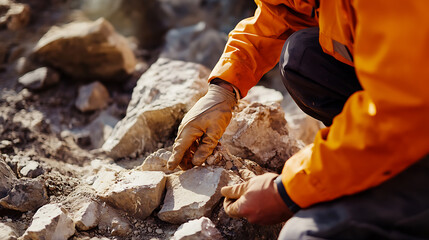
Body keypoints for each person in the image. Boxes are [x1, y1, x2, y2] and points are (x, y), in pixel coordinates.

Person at [167, 0, 429, 239]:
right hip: (408, 100)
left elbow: (400, 111)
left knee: (302, 235)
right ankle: (367, 166)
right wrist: (224, 88)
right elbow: (283, 13)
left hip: (414, 117)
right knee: (303, 55)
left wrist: (289, 190)